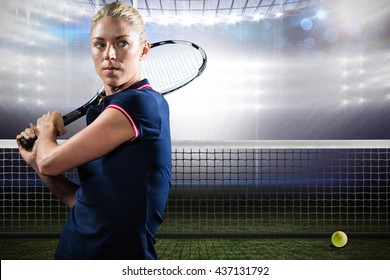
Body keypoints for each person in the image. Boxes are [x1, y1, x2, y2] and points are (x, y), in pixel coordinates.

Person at [16, 2, 171, 260]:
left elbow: (51, 162)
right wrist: (36, 161)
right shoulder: (101, 109)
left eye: (122, 43)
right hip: (70, 254)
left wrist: (46, 132)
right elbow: (82, 201)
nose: (109, 54)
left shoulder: (140, 103)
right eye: (99, 44)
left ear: (144, 51)